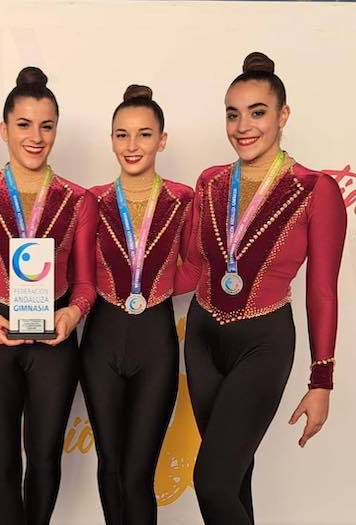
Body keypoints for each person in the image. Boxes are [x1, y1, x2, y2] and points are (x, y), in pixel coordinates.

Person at [176, 51, 347, 525]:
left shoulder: (316, 190)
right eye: (233, 114)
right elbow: (189, 269)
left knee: (209, 482)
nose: (242, 126)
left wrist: (322, 380)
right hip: (203, 335)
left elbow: (323, 291)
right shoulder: (210, 183)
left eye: (257, 112)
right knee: (232, 481)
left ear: (282, 115)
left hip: (263, 342)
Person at [0, 67, 96, 525]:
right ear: (3, 129)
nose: (36, 137)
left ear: (57, 129)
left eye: (47, 125)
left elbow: (87, 284)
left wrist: (73, 314)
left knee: (45, 459)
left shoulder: (77, 200)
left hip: (54, 340)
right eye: (24, 124)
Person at [82, 85, 194, 525]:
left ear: (162, 140)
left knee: (138, 472)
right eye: (122, 135)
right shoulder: (92, 200)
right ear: (111, 139)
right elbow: (77, 271)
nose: (133, 146)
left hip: (156, 343)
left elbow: (197, 267)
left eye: (144, 135)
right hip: (101, 342)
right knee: (110, 465)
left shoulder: (182, 199)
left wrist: (158, 287)